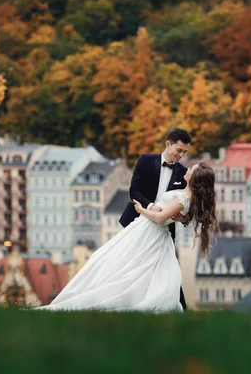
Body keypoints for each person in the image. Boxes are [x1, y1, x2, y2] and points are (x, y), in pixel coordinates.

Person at [35, 162, 217, 313]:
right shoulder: (185, 197)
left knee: (117, 263)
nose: (188, 169)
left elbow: (161, 219)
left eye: (191, 169)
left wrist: (142, 210)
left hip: (149, 232)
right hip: (148, 231)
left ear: (194, 178)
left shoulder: (183, 198)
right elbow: (173, 216)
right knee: (123, 265)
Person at [119, 128, 192, 309]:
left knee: (168, 272)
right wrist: (150, 206)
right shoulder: (145, 161)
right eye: (179, 150)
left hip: (164, 230)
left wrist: (182, 219)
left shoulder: (183, 173)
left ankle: (180, 309)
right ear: (168, 144)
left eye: (185, 152)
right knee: (131, 269)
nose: (181, 155)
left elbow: (186, 207)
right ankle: (129, 305)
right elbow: (134, 190)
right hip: (137, 224)